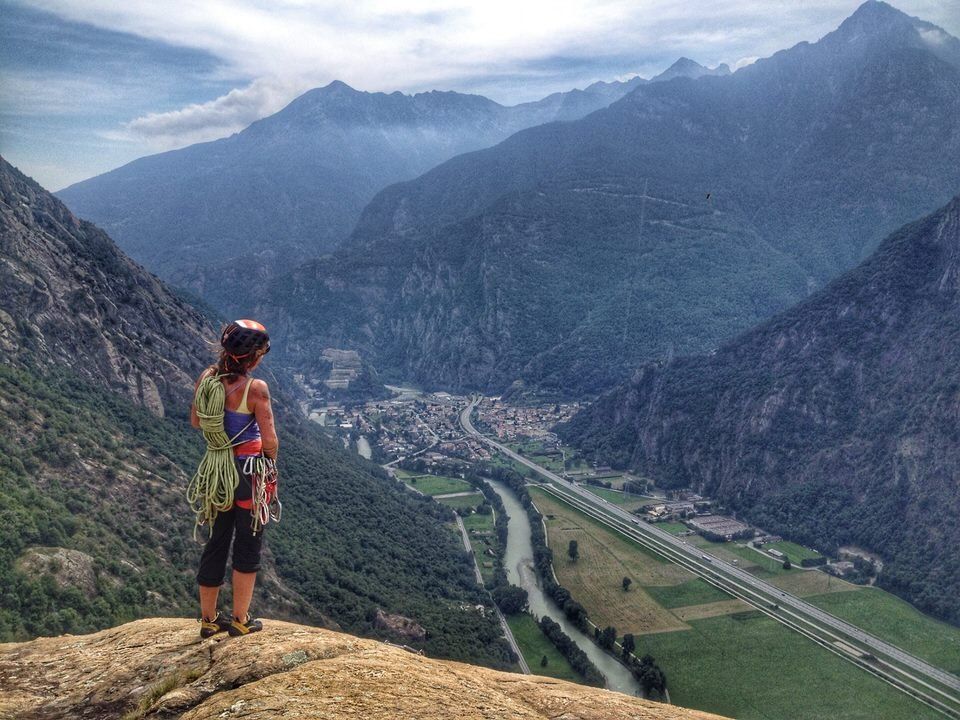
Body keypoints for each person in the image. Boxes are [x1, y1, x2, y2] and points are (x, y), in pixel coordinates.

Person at [190, 319, 278, 638]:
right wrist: (270, 465)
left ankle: (209, 619)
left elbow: (196, 421)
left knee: (217, 542)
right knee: (248, 543)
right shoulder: (256, 389)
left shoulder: (207, 379)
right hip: (248, 474)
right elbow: (269, 439)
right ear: (253, 357)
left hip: (217, 472)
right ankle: (240, 619)